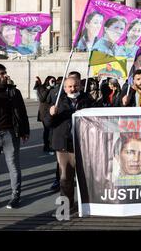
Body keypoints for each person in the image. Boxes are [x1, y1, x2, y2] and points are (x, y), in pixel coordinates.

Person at [44, 77, 92, 212]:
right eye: (69, 86)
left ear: (80, 86)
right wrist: (51, 114)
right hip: (64, 146)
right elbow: (48, 124)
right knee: (65, 178)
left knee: (86, 178)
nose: (73, 89)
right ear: (64, 88)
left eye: (75, 86)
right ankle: (66, 207)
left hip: (84, 145)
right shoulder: (58, 101)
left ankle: (86, 205)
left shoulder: (88, 100)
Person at [0, 64, 29, 210]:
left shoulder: (13, 92)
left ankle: (15, 195)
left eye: (5, 73)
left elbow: (22, 113)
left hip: (10, 134)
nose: (5, 75)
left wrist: (25, 131)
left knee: (13, 167)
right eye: (1, 73)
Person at [34, 75, 56, 154]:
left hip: (53, 112)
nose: (53, 82)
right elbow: (42, 98)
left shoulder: (54, 88)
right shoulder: (41, 88)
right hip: (44, 113)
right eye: (51, 81)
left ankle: (51, 145)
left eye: (54, 81)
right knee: (47, 130)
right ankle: (47, 146)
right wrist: (48, 87)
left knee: (52, 130)